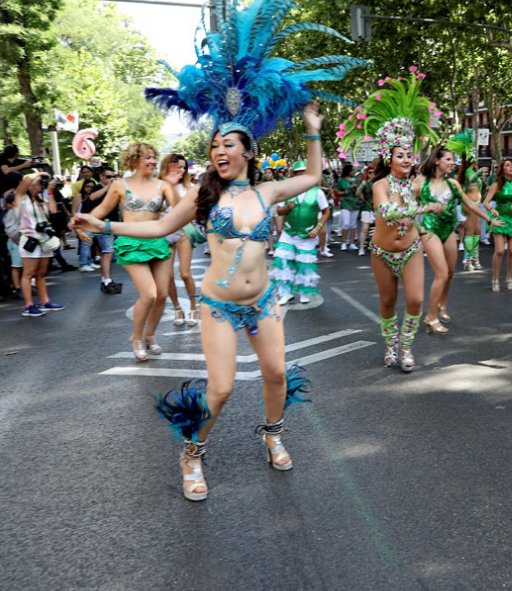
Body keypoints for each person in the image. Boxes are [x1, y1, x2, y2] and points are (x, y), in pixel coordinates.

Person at [76, 0, 364, 501]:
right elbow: (160, 226)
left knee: (275, 374)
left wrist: (314, 128)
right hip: (219, 305)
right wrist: (101, 224)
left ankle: (273, 433)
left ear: (248, 152)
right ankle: (192, 452)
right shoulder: (203, 195)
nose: (219, 153)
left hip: (265, 302)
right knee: (223, 388)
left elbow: (315, 176)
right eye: (214, 147)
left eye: (229, 145)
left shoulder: (267, 192)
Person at [338, 66, 444, 372]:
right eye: (401, 154)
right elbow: (385, 212)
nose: (408, 158)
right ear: (389, 158)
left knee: (414, 301)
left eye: (410, 153)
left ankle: (406, 347)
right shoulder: (379, 185)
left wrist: (425, 228)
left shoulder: (416, 184)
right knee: (387, 304)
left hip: (410, 250)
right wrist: (423, 209)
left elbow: (425, 206)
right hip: (382, 253)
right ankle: (390, 343)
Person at [89, 143, 178, 360]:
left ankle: (150, 335)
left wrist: (175, 186)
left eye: (154, 157)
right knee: (149, 294)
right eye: (147, 157)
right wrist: (85, 223)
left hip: (158, 242)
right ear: (134, 160)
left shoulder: (163, 185)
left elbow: (181, 209)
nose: (152, 162)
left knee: (163, 295)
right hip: (131, 243)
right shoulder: (120, 185)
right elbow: (101, 210)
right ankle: (136, 337)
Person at [418, 145, 501, 334]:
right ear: (437, 161)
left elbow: (470, 203)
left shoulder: (453, 183)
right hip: (429, 229)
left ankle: (442, 305)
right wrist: (418, 219)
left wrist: (489, 219)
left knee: (450, 272)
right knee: (441, 273)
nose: (452, 163)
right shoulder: (420, 182)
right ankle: (431, 317)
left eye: (453, 159)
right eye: (448, 159)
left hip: (449, 229)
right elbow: (407, 204)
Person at [271, 160, 330, 305]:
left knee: (304, 265)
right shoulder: (287, 191)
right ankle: (286, 293)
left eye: (304, 172)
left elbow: (326, 211)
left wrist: (318, 228)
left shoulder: (318, 192)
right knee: (282, 261)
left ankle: (304, 292)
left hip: (307, 234)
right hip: (289, 232)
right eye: (298, 173)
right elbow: (278, 211)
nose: (301, 175)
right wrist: (287, 208)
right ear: (294, 175)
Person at [13, 172, 65, 316]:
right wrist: (41, 172)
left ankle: (45, 301)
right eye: (36, 183)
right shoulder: (20, 198)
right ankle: (28, 306)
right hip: (30, 239)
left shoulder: (40, 199)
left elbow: (53, 210)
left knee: (41, 273)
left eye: (39, 183)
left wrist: (50, 190)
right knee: (28, 274)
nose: (38, 185)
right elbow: (26, 179)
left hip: (44, 240)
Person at [159, 153, 199, 326]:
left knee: (185, 273)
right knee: (167, 277)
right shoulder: (158, 186)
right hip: (163, 235)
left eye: (184, 167)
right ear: (168, 166)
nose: (181, 170)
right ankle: (177, 308)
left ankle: (193, 307)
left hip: (183, 233)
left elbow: (187, 210)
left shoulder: (189, 187)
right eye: (177, 166)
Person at [483, 159, 512, 292]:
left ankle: (510, 278)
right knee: (499, 251)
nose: (511, 167)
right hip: (500, 218)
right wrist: (492, 210)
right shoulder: (497, 184)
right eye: (508, 165)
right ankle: (495, 279)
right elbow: (486, 202)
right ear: (502, 169)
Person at [447, 132, 484, 270]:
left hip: (477, 204)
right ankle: (468, 260)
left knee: (477, 231)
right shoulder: (469, 171)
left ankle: (474, 258)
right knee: (471, 231)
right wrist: (478, 174)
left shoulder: (470, 171)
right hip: (470, 204)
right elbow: (471, 180)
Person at [335, 163, 359, 251]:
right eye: (352, 170)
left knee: (353, 225)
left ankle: (352, 243)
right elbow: (337, 191)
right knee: (345, 224)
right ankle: (344, 243)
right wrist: (344, 192)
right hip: (345, 203)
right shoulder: (341, 180)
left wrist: (356, 188)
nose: (354, 172)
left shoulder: (355, 179)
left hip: (355, 203)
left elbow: (358, 193)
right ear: (348, 171)